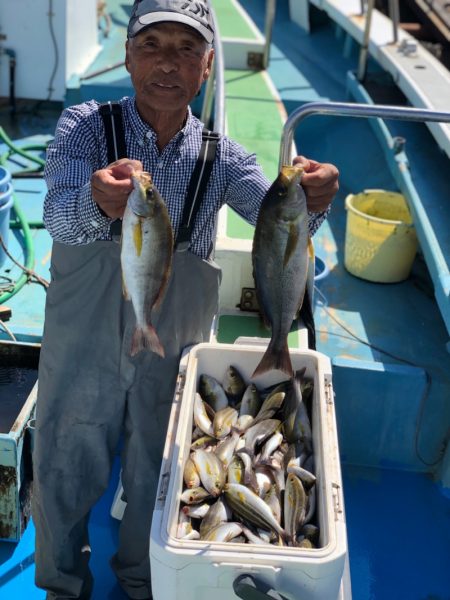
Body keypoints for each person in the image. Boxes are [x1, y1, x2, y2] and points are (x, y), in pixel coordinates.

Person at [32, 1, 339, 599]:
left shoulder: (223, 157)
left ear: (207, 69)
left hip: (170, 342)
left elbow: (274, 215)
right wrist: (96, 203)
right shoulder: (84, 127)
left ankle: (145, 582)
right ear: (126, 56)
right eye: (152, 46)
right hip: (84, 336)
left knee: (160, 470)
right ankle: (61, 586)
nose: (167, 64)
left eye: (186, 50)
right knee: (63, 462)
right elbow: (54, 215)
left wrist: (314, 197)